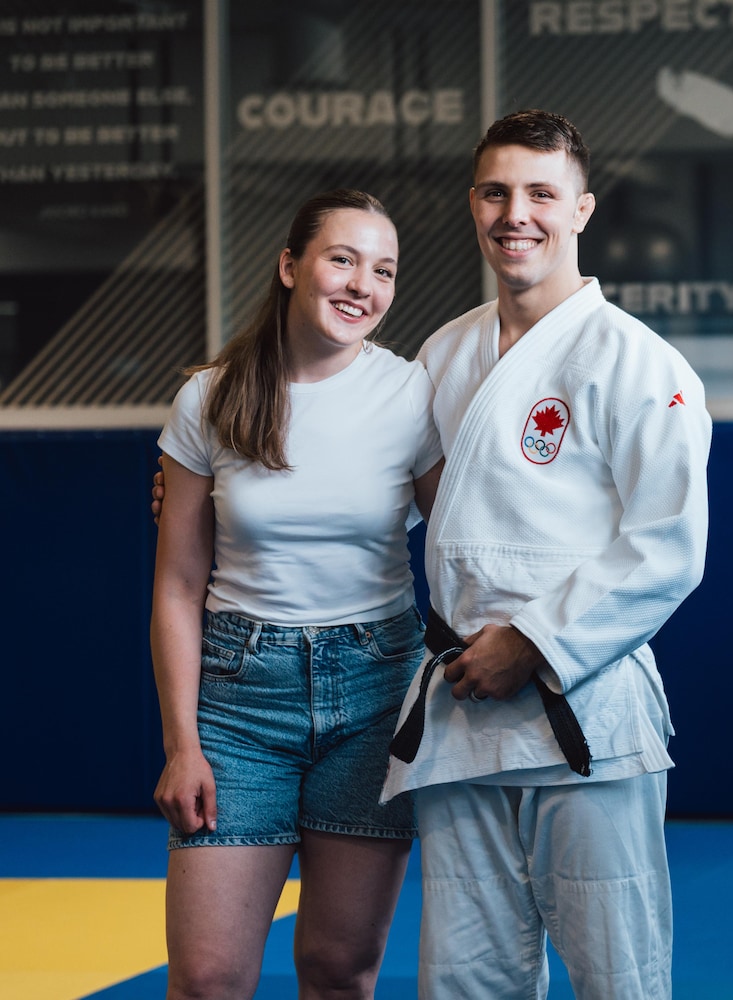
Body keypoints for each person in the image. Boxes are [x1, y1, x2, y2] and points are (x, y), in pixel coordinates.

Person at [380, 110, 712, 999]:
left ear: (581, 209)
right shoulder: (444, 352)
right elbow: (389, 490)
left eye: (539, 193)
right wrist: (222, 492)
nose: (514, 213)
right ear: (473, 203)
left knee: (617, 974)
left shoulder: (641, 363)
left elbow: (668, 548)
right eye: (495, 192)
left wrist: (531, 644)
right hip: (460, 716)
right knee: (465, 978)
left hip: (584, 709)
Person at [150, 188, 443, 1000]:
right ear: (289, 266)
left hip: (375, 691)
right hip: (240, 702)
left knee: (339, 970)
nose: (363, 285)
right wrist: (183, 744)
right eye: (342, 259)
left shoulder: (414, 394)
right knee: (207, 978)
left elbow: (473, 530)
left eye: (383, 270)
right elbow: (177, 585)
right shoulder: (209, 398)